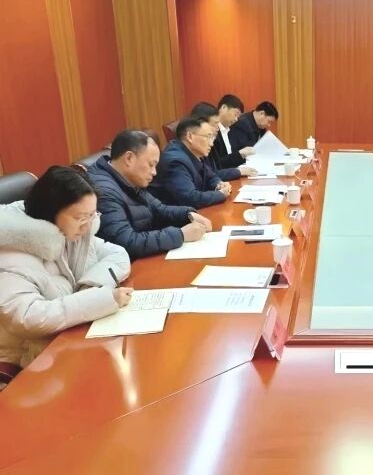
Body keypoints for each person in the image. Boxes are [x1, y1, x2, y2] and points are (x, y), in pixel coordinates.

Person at [0, 166, 132, 386]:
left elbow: (117, 255)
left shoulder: (71, 233)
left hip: (62, 341)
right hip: (23, 364)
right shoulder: (12, 250)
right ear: (50, 212)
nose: (88, 225)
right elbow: (27, 317)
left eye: (92, 215)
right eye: (80, 217)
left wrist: (90, 287)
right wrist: (100, 300)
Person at [88, 129, 212, 260]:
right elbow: (127, 243)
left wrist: (188, 214)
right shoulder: (104, 191)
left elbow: (159, 209)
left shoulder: (128, 178)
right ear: (129, 158)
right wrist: (181, 235)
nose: (154, 172)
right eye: (151, 165)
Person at [149, 117, 232, 208]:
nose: (211, 144)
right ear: (190, 137)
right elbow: (190, 198)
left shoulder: (195, 152)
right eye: (208, 137)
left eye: (212, 137)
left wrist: (219, 184)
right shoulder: (175, 162)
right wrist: (221, 194)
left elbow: (210, 175)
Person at [189, 102, 257, 180]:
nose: (217, 128)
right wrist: (238, 171)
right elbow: (209, 176)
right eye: (215, 124)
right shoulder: (185, 156)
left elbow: (211, 174)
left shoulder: (221, 135)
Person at [210, 94, 257, 170]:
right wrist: (240, 154)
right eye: (235, 114)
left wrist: (243, 155)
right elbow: (217, 164)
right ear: (223, 108)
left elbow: (230, 159)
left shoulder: (232, 130)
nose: (236, 119)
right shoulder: (212, 132)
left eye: (238, 117)